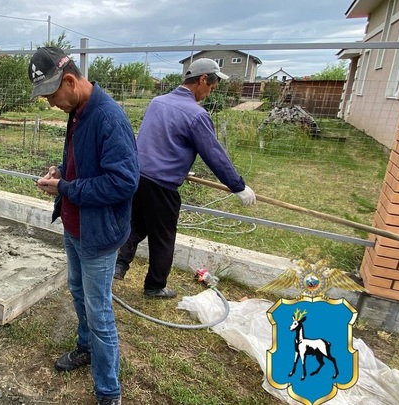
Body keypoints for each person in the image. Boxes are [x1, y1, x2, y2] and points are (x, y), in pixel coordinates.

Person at [29, 47, 139, 405]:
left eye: (50, 96)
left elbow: (124, 182)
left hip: (99, 233)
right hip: (75, 225)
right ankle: (84, 347)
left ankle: (109, 392)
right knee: (78, 293)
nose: (50, 104)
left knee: (100, 312)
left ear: (70, 81)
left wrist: (66, 188)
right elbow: (85, 166)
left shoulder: (109, 118)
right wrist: (61, 174)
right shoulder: (77, 111)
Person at [114, 58, 257, 298]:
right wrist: (237, 186)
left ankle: (119, 266)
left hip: (137, 175)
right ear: (202, 80)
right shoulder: (196, 114)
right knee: (163, 237)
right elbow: (213, 154)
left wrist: (180, 166)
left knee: (135, 225)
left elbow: (155, 139)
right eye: (211, 87)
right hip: (162, 185)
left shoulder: (158, 102)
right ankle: (155, 287)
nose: (211, 92)